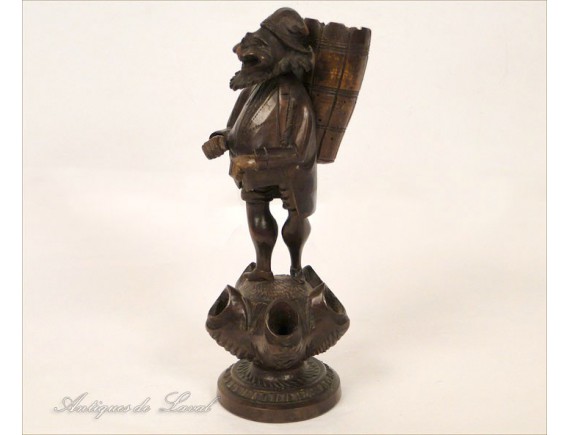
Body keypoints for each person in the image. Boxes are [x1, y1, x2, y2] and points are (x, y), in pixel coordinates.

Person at [202, 8, 317, 282]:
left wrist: (251, 160)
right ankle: (263, 267)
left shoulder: (294, 96)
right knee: (256, 209)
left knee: (296, 219)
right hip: (253, 171)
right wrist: (221, 139)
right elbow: (236, 128)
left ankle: (296, 267)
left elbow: (299, 151)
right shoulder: (253, 90)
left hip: (290, 173)